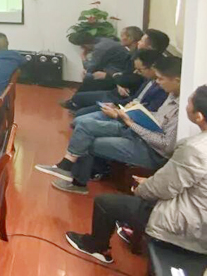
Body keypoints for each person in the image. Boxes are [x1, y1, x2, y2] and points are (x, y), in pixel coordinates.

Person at [64, 85, 207, 263]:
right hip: (198, 215)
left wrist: (140, 188)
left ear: (199, 116)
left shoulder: (195, 149)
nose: (185, 106)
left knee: (105, 203)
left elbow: (162, 189)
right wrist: (152, 182)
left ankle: (97, 247)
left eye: (189, 103)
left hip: (190, 225)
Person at [36, 57, 182, 195]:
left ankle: (78, 183)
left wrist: (131, 123)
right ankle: (66, 165)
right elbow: (157, 117)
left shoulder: (180, 109)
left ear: (177, 80)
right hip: (138, 132)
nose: (157, 82)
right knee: (85, 125)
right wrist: (134, 113)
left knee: (89, 142)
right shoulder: (171, 94)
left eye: (161, 79)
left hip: (151, 151)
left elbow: (166, 145)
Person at [67, 50, 167, 117]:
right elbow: (134, 98)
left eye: (140, 70)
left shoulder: (161, 88)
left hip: (126, 114)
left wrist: (118, 110)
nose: (136, 72)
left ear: (152, 67)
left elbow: (146, 111)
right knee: (80, 108)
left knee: (80, 118)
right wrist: (115, 105)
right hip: (121, 103)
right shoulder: (148, 80)